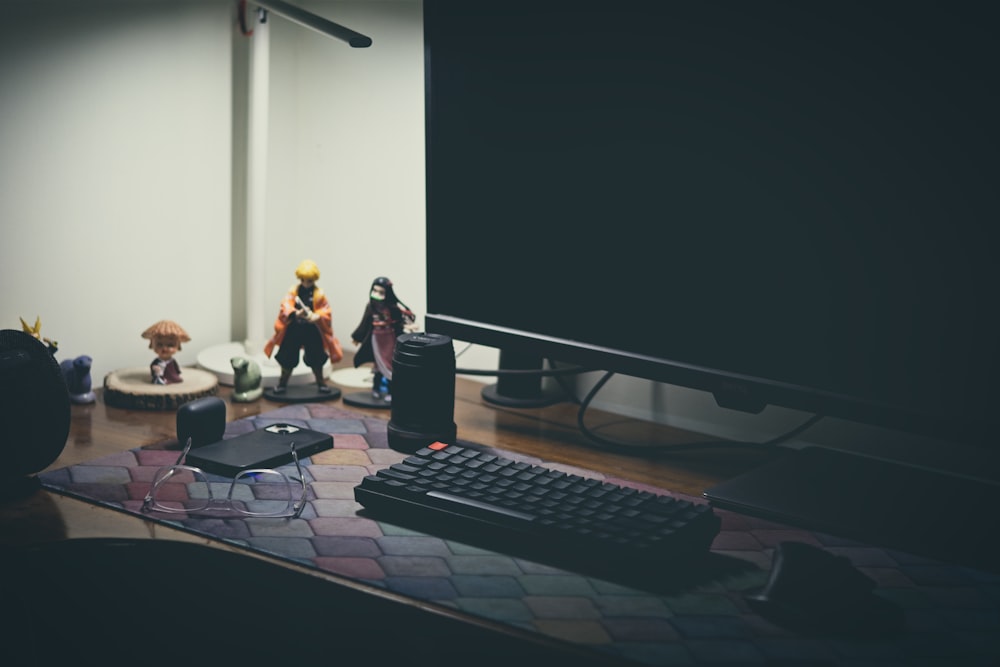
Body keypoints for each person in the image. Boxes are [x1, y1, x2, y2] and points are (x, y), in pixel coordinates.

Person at [264, 259, 342, 393]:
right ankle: (282, 383)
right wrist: (295, 313)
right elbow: (285, 306)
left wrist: (317, 316)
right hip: (295, 328)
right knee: (287, 357)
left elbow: (326, 311)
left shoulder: (319, 294)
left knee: (316, 357)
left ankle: (320, 382)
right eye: (303, 280)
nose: (306, 283)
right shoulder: (293, 292)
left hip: (311, 330)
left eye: (309, 280)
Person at [351, 276, 416, 402]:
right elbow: (365, 322)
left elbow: (402, 320)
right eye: (374, 291)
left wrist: (409, 326)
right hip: (376, 337)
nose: (377, 295)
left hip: (389, 338)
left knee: (390, 365)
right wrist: (357, 337)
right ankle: (376, 388)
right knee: (378, 365)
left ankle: (391, 391)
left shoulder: (392, 308)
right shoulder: (371, 307)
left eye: (381, 292)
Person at [141, 320, 191, 384]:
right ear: (151, 344)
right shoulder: (157, 362)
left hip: (173, 377)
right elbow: (153, 368)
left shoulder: (172, 361)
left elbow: (176, 370)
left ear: (178, 346)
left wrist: (177, 374)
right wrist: (156, 371)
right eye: (159, 345)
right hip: (160, 378)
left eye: (170, 345)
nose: (164, 348)